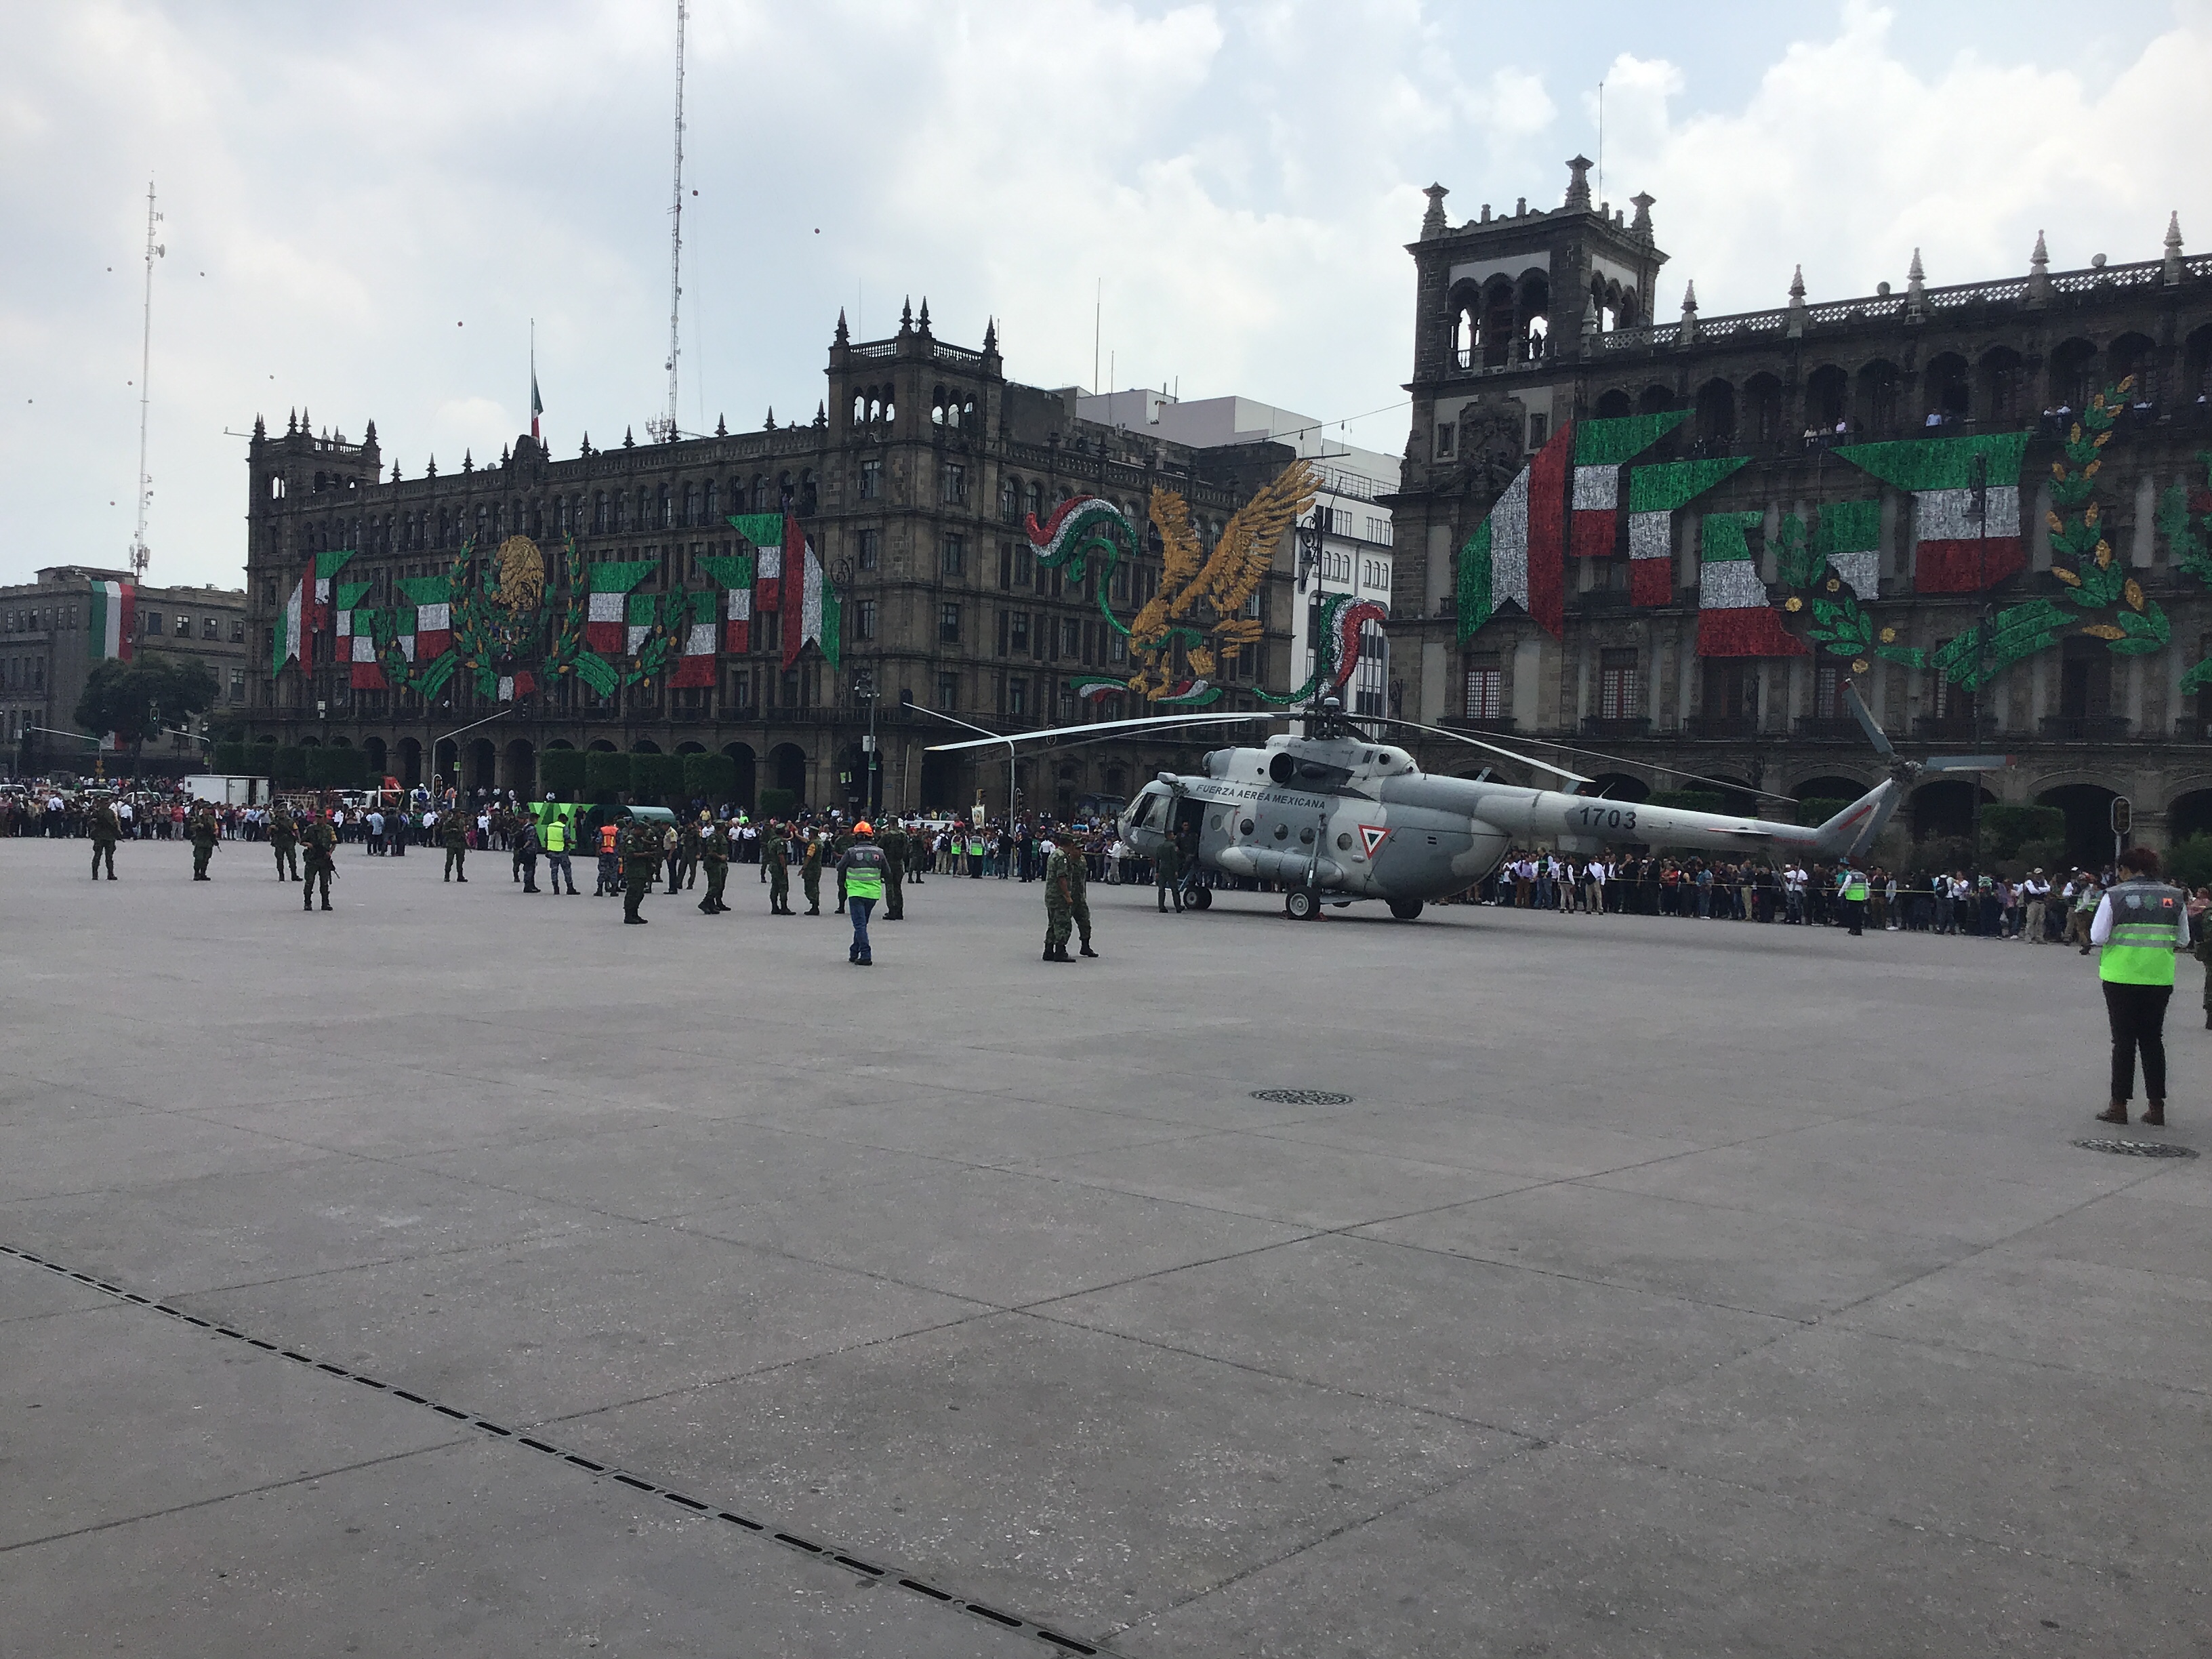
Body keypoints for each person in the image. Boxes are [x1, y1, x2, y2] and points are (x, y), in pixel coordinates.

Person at [2091, 846, 2186, 1127]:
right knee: (2152, 1041)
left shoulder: (2115, 896)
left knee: (2123, 1043)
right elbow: (2182, 939)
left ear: (2125, 869)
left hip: (2120, 976)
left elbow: (2097, 936)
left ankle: (2118, 1106)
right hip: (2158, 977)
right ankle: (2156, 1108)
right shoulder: (2176, 896)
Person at [838, 821, 887, 964]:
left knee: (859, 925)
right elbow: (887, 872)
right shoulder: (880, 852)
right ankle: (854, 951)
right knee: (862, 923)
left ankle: (866, 955)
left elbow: (840, 867)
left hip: (855, 893)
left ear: (857, 837)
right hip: (873, 894)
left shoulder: (851, 852)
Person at [619, 811, 661, 924]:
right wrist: (645, 855)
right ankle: (628, 915)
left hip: (641, 871)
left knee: (639, 894)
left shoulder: (639, 840)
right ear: (638, 829)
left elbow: (645, 844)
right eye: (643, 831)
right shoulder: (631, 839)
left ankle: (635, 913)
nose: (644, 834)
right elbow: (630, 854)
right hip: (634, 871)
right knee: (632, 893)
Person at [1042, 836, 1077, 962]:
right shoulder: (1062, 857)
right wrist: (1067, 895)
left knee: (1052, 924)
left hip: (1051, 895)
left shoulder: (1054, 855)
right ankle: (1060, 952)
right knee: (1063, 924)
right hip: (1059, 896)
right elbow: (1061, 877)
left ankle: (1048, 950)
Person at [1065, 829, 1098, 957]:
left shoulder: (1082, 861)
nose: (1080, 851)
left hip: (1080, 897)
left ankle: (1085, 946)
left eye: (1081, 849)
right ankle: (1060, 948)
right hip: (1069, 897)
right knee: (1064, 924)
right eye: (1077, 849)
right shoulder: (1066, 861)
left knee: (1085, 922)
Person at [302, 811, 337, 912]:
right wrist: (308, 845)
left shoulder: (329, 829)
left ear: (325, 818)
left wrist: (330, 852)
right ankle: (307, 903)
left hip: (324, 860)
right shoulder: (310, 829)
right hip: (312, 859)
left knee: (324, 883)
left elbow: (334, 843)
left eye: (321, 817)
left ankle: (325, 903)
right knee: (309, 882)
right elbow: (302, 841)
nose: (319, 819)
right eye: (317, 817)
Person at [698, 817, 730, 914]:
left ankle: (712, 905)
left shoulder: (721, 836)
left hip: (721, 864)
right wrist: (720, 857)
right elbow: (711, 852)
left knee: (719, 885)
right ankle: (705, 903)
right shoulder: (713, 838)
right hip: (713, 864)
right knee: (716, 885)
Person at [878, 817, 907, 920]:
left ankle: (892, 911)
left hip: (889, 864)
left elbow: (880, 847)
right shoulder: (904, 835)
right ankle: (900, 911)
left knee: (890, 888)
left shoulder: (887, 836)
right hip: (899, 864)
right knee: (898, 888)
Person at [542, 808, 577, 895]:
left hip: (552, 852)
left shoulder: (550, 827)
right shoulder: (563, 827)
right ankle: (570, 888)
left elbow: (546, 840)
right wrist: (573, 842)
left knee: (554, 870)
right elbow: (567, 839)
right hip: (562, 852)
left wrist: (547, 850)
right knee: (567, 870)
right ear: (563, 820)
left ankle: (556, 889)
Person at [89, 796, 120, 880]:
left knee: (109, 857)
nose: (105, 804)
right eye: (104, 803)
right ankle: (95, 875)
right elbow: (90, 823)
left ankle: (110, 874)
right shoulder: (96, 813)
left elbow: (115, 823)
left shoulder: (111, 812)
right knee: (97, 856)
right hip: (100, 837)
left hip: (109, 837)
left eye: (107, 803)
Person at [766, 820, 793, 914]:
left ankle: (774, 907)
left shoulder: (772, 841)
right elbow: (781, 855)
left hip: (773, 865)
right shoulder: (780, 842)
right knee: (783, 886)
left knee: (775, 886)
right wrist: (785, 868)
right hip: (778, 866)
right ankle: (784, 907)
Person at [1835, 858, 1867, 936]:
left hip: (1851, 897)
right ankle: (1858, 929)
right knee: (1858, 914)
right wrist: (1866, 896)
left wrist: (1840, 894)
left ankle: (1853, 928)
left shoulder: (1851, 875)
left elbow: (1846, 885)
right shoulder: (1863, 876)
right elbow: (1866, 887)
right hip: (1860, 897)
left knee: (1851, 914)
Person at [189, 805, 220, 881]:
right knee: (199, 858)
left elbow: (215, 827)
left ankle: (203, 874)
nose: (209, 810)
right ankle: (197, 873)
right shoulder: (198, 819)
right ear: (203, 810)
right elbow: (191, 827)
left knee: (206, 859)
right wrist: (198, 825)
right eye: (207, 809)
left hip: (209, 841)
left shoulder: (211, 819)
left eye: (210, 809)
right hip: (200, 841)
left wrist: (216, 832)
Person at [269, 804, 300, 882]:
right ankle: (281, 876)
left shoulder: (290, 821)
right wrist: (272, 828)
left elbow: (296, 830)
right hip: (279, 842)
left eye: (283, 812)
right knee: (280, 860)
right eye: (280, 812)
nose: (282, 814)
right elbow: (268, 832)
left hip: (289, 842)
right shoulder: (275, 821)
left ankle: (294, 875)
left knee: (292, 859)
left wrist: (299, 838)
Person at [1155, 830, 1183, 912]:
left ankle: (1161, 906)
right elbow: (1174, 859)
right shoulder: (1172, 846)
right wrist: (1176, 870)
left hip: (1162, 868)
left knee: (1161, 888)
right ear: (1169, 836)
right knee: (1174, 888)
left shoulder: (1160, 846)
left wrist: (1157, 871)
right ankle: (1178, 907)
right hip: (1170, 868)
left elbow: (1157, 859)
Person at [514, 814, 542, 893]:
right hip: (530, 851)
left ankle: (531, 885)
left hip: (526, 850)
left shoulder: (525, 826)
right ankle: (528, 886)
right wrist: (525, 847)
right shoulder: (532, 828)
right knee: (530, 869)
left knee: (528, 868)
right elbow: (530, 840)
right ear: (535, 819)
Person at [443, 808, 470, 882]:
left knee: (460, 860)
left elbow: (464, 832)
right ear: (455, 814)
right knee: (450, 860)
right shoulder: (449, 822)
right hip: (452, 843)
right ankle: (447, 875)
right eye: (460, 813)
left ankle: (460, 876)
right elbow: (443, 832)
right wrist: (451, 831)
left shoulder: (462, 821)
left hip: (461, 843)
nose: (461, 815)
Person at [801, 831, 823, 916]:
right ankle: (815, 906)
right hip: (817, 868)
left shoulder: (813, 845)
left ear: (812, 834)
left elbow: (809, 856)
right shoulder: (819, 842)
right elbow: (805, 840)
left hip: (811, 869)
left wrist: (804, 868)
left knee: (810, 887)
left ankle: (814, 906)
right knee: (815, 886)